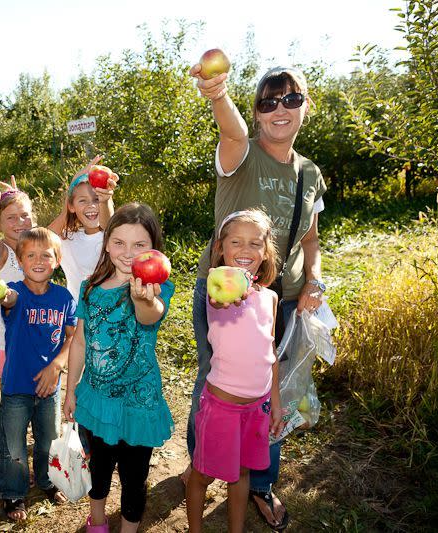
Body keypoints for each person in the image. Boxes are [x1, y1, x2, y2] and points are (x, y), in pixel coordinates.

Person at [184, 64, 328, 530]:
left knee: (269, 390)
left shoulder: (310, 173)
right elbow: (231, 130)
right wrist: (217, 93)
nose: (280, 109)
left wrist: (313, 280)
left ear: (306, 105)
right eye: (268, 101)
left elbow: (310, 241)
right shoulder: (243, 154)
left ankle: (259, 482)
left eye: (291, 99)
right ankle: (203, 464)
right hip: (224, 297)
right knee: (218, 381)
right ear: (257, 112)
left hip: (278, 300)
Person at [64, 203, 175, 533]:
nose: (128, 253)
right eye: (119, 243)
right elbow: (80, 342)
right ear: (107, 243)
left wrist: (143, 299)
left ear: (153, 248)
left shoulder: (157, 287)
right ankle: (96, 520)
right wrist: (70, 390)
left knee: (134, 477)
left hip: (137, 404)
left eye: (139, 245)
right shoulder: (91, 287)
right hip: (96, 399)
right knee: (98, 467)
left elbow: (149, 315)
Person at [186, 209, 284, 532]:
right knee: (202, 474)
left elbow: (270, 353)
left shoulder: (270, 298)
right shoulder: (219, 288)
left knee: (242, 473)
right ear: (221, 248)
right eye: (236, 242)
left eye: (255, 243)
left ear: (266, 251)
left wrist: (276, 403)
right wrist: (230, 289)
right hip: (222, 409)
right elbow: (219, 297)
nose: (245, 250)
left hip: (256, 410)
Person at [0, 227, 77, 522]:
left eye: (46, 255)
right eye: (30, 255)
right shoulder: (16, 292)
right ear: (21, 260)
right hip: (16, 386)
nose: (38, 261)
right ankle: (12, 492)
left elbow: (72, 335)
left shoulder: (63, 298)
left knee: (47, 440)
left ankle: (46, 480)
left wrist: (58, 365)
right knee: (13, 444)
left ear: (57, 260)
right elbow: (8, 299)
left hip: (49, 387)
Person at [0, 178, 34, 382]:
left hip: (36, 337)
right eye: (11, 218)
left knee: (39, 398)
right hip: (6, 340)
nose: (20, 222)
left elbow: (62, 220)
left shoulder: (39, 248)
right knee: (12, 402)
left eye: (25, 215)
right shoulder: (1, 253)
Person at [47, 156, 118, 302]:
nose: (91, 205)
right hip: (76, 317)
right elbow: (44, 238)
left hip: (109, 314)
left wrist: (104, 200)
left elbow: (109, 225)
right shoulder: (68, 238)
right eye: (82, 200)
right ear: (71, 206)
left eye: (96, 199)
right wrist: (74, 181)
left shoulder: (112, 238)